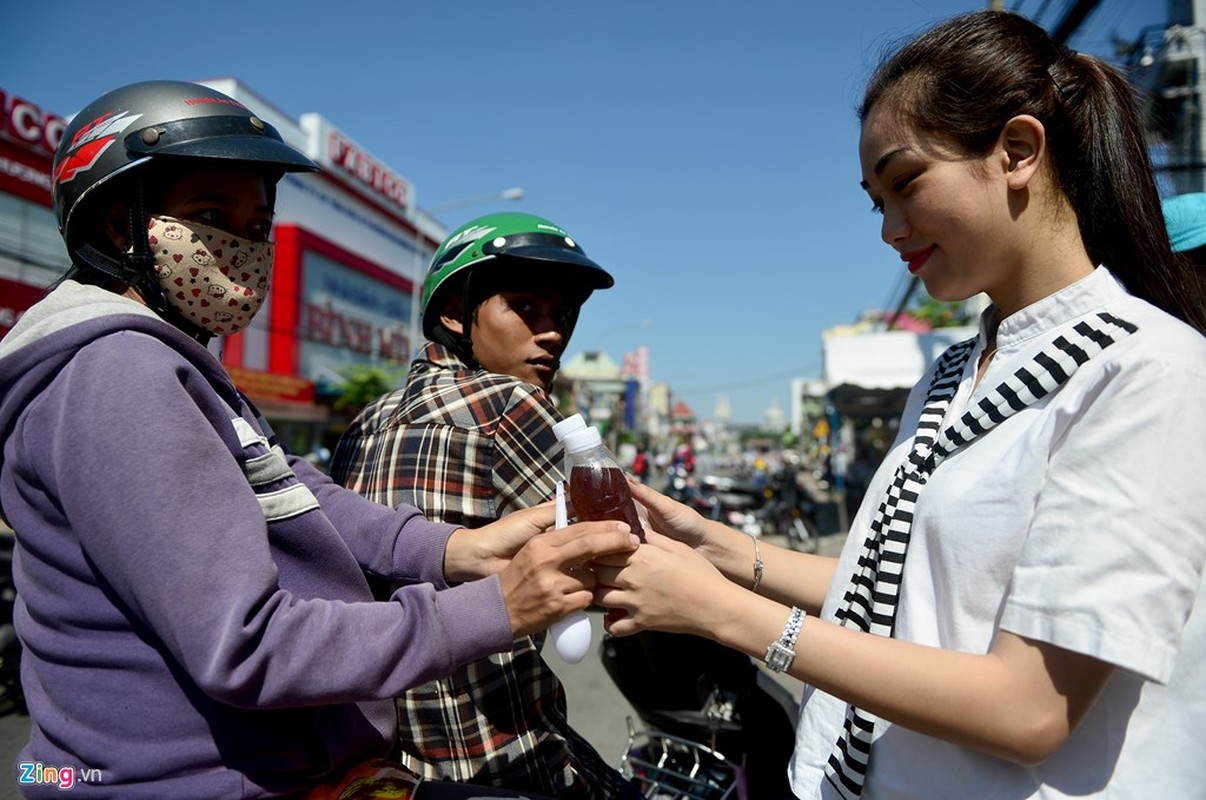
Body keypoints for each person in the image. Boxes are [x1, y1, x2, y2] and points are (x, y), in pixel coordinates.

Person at [591, 10, 1206, 800]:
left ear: (1018, 151)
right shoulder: (955, 369)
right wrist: (716, 548)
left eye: (905, 182)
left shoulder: (1146, 370)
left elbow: (1032, 709)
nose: (888, 228)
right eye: (874, 200)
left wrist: (728, 615)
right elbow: (901, 582)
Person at [0, 79, 639, 799]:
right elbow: (246, 646)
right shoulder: (118, 372)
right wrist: (497, 607)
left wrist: (452, 550)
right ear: (121, 227)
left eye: (257, 225)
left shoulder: (178, 366)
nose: (241, 248)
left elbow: (289, 487)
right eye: (212, 216)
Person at [331, 213, 639, 799]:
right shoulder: (509, 403)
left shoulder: (362, 423)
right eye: (525, 307)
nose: (551, 333)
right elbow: (625, 545)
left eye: (563, 315)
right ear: (455, 315)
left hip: (381, 764)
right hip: (502, 755)